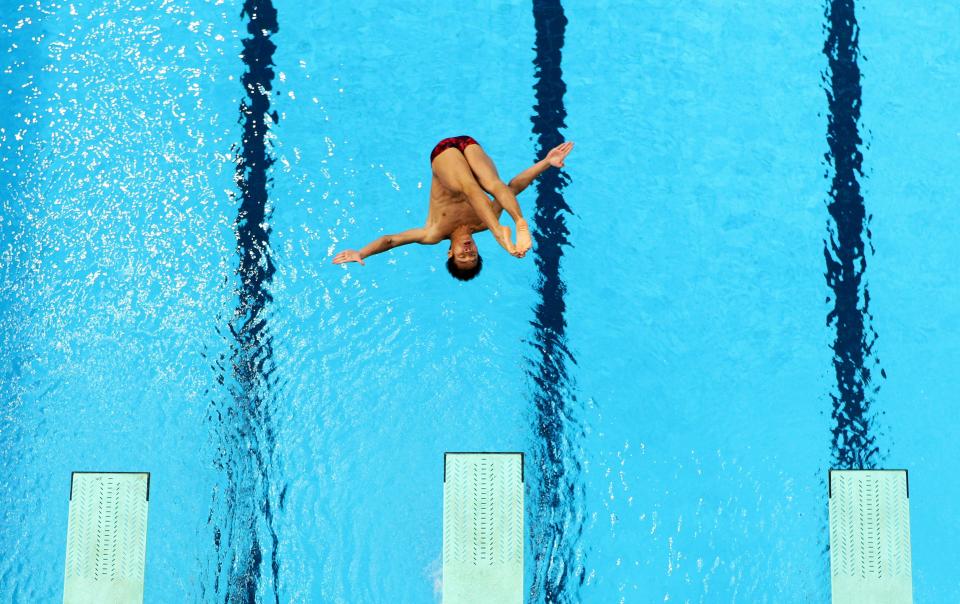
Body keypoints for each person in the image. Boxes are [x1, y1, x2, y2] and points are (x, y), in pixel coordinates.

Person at [332, 136, 574, 281]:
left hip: (445, 154)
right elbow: (515, 186)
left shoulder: (434, 232)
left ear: (450, 253)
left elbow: (390, 240)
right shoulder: (482, 222)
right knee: (496, 185)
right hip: (469, 145)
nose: (468, 250)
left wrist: (362, 253)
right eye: (473, 255)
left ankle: (503, 234)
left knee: (470, 188)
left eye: (462, 255)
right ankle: (519, 222)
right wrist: (545, 163)